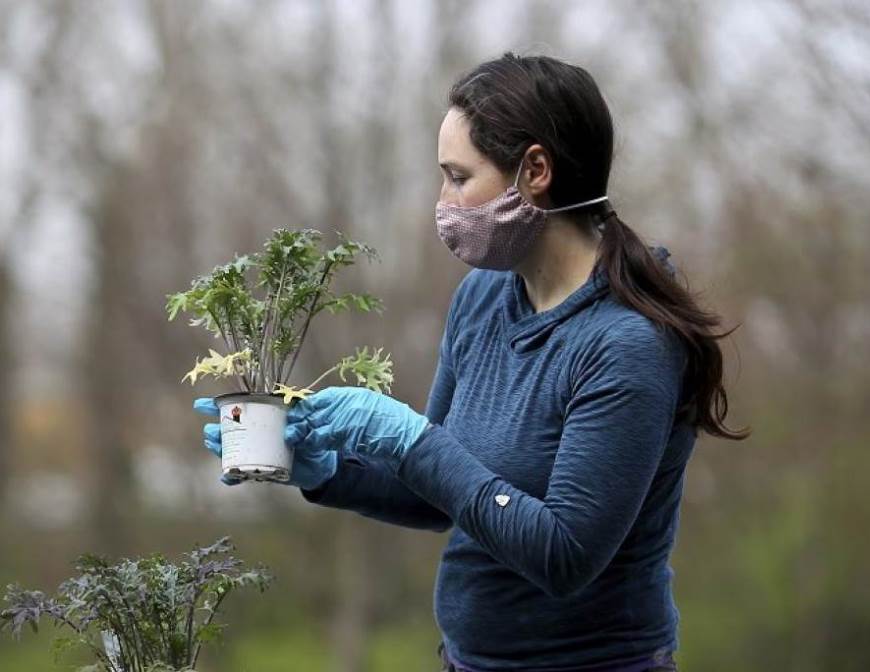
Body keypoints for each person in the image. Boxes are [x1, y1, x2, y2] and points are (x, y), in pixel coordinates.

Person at [196, 52, 749, 672]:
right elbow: (440, 497)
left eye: (459, 177)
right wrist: (323, 472)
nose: (443, 201)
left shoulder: (626, 344)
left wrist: (408, 440)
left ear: (534, 170)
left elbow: (564, 554)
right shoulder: (485, 297)